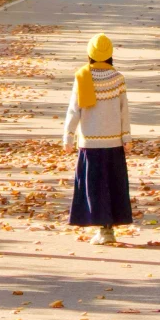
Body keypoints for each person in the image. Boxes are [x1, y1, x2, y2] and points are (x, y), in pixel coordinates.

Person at [63, 32, 132, 245]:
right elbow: (124, 111)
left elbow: (74, 110)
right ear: (110, 54)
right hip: (113, 144)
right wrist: (126, 137)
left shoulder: (82, 77)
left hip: (90, 145)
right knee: (113, 185)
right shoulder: (118, 79)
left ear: (89, 54)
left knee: (94, 186)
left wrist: (68, 136)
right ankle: (108, 230)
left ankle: (102, 230)